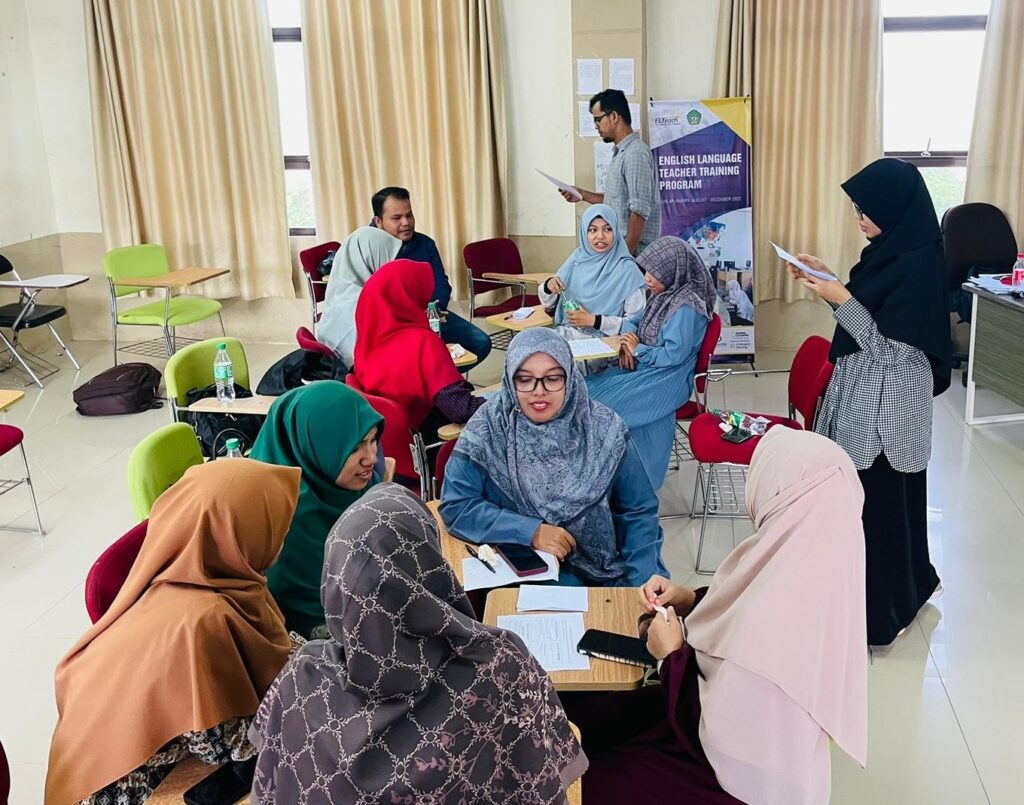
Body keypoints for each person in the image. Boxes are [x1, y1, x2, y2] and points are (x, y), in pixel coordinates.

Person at [564, 427, 869, 805]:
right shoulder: (813, 557)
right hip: (725, 733)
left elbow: (718, 728)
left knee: (585, 784)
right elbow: (743, 609)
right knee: (587, 718)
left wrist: (670, 657)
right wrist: (691, 601)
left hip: (727, 774)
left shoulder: (775, 623)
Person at [249, 483, 587, 803]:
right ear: (428, 565)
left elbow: (276, 783)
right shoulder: (499, 669)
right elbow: (538, 781)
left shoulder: (301, 678)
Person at [45, 460, 301, 805]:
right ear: (243, 534)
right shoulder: (201, 624)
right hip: (118, 790)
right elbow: (224, 745)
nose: (283, 536)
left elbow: (274, 650)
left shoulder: (208, 580)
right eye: (276, 527)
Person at [784, 157, 951, 646]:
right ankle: (912, 583)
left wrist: (839, 298)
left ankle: (881, 613)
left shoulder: (920, 263)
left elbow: (886, 347)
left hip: (889, 406)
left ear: (896, 209)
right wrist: (833, 280)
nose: (859, 218)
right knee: (886, 503)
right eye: (857, 208)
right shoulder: (891, 251)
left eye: (867, 209)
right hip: (870, 394)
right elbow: (875, 307)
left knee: (880, 505)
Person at [439, 328, 666, 586]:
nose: (539, 391)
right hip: (522, 575)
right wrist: (529, 531)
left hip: (602, 576)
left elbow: (637, 511)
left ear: (570, 379)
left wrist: (641, 583)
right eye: (525, 380)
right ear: (510, 381)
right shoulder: (488, 428)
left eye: (553, 378)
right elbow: (457, 506)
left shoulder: (605, 429)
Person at [250, 382, 384, 638]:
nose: (371, 458)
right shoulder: (284, 523)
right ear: (314, 445)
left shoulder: (361, 484)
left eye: (373, 440)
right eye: (355, 448)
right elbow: (317, 626)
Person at [586, 237, 714, 489]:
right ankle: (603, 471)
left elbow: (673, 356)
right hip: (650, 368)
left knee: (599, 403)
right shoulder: (664, 294)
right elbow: (636, 320)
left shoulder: (685, 306)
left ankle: (619, 480)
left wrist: (638, 348)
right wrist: (629, 338)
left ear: (672, 270)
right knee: (589, 386)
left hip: (668, 377)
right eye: (646, 272)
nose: (647, 279)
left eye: (654, 274)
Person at [352, 259, 485, 440]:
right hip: (425, 440)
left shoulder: (368, 341)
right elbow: (460, 410)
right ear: (407, 297)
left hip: (388, 442)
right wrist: (500, 401)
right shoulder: (423, 343)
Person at [371, 186, 493, 368]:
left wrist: (434, 309)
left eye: (409, 215)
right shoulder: (368, 248)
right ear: (379, 221)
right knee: (412, 357)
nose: (406, 223)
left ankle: (442, 382)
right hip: (395, 324)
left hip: (432, 315)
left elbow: (441, 283)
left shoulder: (425, 243)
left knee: (480, 343)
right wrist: (415, 318)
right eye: (397, 218)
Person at [559, 89, 661, 255]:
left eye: (598, 119)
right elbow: (615, 201)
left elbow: (639, 211)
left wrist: (624, 257)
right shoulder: (620, 153)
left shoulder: (635, 153)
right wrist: (581, 194)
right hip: (620, 252)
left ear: (614, 117)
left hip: (634, 256)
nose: (596, 126)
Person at [538, 204, 646, 356]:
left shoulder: (628, 270)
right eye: (593, 230)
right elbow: (548, 303)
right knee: (532, 349)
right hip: (569, 334)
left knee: (560, 366)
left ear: (616, 232)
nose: (600, 236)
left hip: (607, 343)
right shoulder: (577, 260)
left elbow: (636, 322)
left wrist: (594, 320)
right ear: (584, 233)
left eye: (607, 229)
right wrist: (549, 286)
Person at [318, 226, 401, 366]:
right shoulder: (362, 305)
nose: (390, 266)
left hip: (341, 371)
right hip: (359, 376)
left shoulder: (342, 291)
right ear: (369, 259)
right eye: (385, 259)